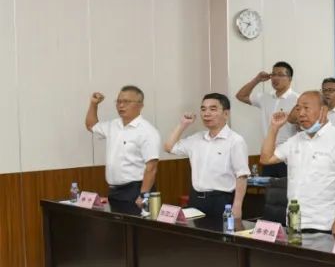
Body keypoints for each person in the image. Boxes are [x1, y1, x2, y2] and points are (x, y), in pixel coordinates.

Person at [259, 91, 335, 234]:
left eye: (306, 108)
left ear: (323, 110)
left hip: (324, 224)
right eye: (298, 109)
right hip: (294, 220)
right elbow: (266, 159)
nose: (301, 114)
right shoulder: (295, 140)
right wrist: (274, 128)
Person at [164, 93, 249, 222]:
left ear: (226, 114)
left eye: (212, 109)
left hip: (221, 201)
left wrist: (237, 206)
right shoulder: (196, 138)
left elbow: (241, 175)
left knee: (220, 234)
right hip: (196, 199)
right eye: (203, 109)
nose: (206, 114)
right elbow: (169, 147)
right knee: (194, 235)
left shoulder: (235, 140)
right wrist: (183, 124)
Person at [85, 86, 161, 215]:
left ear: (140, 105)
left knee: (136, 227)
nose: (121, 105)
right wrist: (93, 104)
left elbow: (151, 167)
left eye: (126, 102)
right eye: (119, 101)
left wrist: (143, 195)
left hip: (136, 191)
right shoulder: (113, 125)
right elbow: (91, 125)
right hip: (114, 191)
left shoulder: (147, 131)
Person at [236, 62, 299, 178]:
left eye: (280, 75)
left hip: (288, 156)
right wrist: (257, 79)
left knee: (288, 189)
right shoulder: (265, 97)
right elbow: (241, 96)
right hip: (268, 154)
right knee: (268, 189)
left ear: (289, 79)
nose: (275, 78)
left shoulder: (297, 99)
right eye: (273, 74)